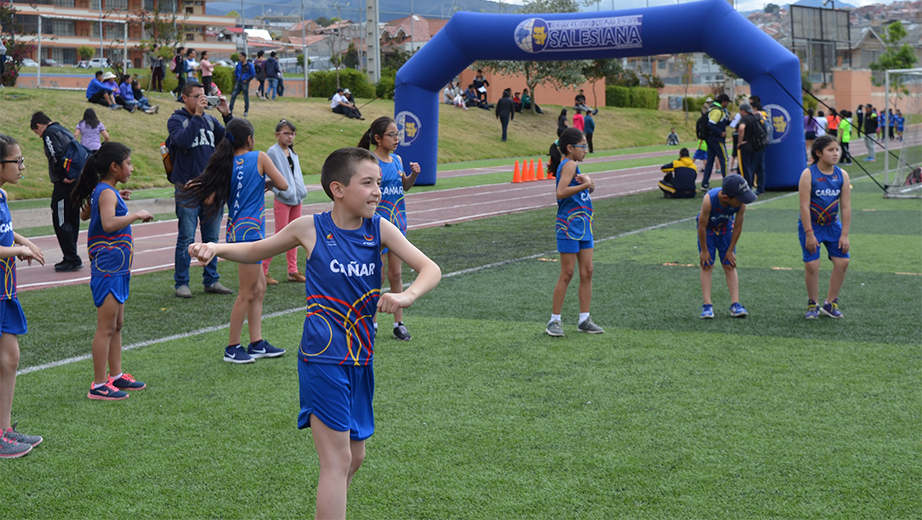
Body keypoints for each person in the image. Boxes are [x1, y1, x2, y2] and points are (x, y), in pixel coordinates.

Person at [186, 147, 441, 519]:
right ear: (337, 189)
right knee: (336, 461)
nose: (378, 191)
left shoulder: (380, 228)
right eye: (368, 183)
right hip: (323, 358)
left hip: (361, 357)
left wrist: (407, 294)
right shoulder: (310, 227)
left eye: (379, 183)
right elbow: (257, 248)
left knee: (355, 456)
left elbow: (429, 268)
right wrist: (214, 247)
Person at [183, 118, 289, 364]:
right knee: (247, 291)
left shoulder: (227, 163)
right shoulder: (260, 157)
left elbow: (209, 200)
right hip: (251, 233)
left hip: (237, 230)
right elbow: (283, 185)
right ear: (250, 140)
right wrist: (267, 183)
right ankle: (232, 347)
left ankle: (257, 342)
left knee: (259, 288)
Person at [70, 142, 153, 400]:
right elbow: (107, 224)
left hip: (116, 268)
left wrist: (117, 200)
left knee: (117, 324)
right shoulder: (105, 192)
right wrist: (135, 215)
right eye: (128, 163)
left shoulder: (104, 191)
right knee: (106, 327)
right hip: (108, 268)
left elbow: (86, 215)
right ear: (114, 167)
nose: (131, 168)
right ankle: (98, 384)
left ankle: (115, 376)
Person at [167, 81, 235, 298]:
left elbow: (232, 142)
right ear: (185, 98)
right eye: (196, 96)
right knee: (186, 237)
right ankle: (181, 283)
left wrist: (227, 115)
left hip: (211, 188)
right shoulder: (176, 120)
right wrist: (196, 115)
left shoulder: (210, 119)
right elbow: (184, 142)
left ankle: (211, 280)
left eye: (203, 96)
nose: (201, 100)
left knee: (211, 238)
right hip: (187, 188)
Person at [0, 133, 45, 458]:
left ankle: (4, 429)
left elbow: (4, 230)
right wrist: (16, 250)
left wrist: (23, 240)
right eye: (17, 161)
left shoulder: (1, 195)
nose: (22, 166)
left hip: (5, 290)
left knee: (10, 358)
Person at [358, 117, 422, 341]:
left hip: (397, 225)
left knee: (396, 274)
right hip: (375, 226)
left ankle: (398, 323)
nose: (397, 139)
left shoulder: (397, 159)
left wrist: (413, 175)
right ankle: (371, 323)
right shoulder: (370, 162)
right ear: (377, 138)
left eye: (397, 135)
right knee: (376, 275)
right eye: (392, 135)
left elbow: (403, 185)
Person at [545, 128, 604, 337]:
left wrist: (588, 188)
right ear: (570, 148)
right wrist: (585, 185)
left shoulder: (574, 166)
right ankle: (554, 320)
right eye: (583, 146)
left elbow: (575, 191)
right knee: (567, 273)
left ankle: (584, 319)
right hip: (568, 227)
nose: (586, 150)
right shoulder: (569, 164)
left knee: (587, 271)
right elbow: (560, 193)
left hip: (584, 227)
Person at [798, 135, 851, 320]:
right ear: (818, 153)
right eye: (831, 150)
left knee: (843, 262)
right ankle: (813, 303)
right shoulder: (808, 174)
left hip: (832, 225)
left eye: (837, 149)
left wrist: (844, 234)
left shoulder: (842, 175)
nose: (836, 153)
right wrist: (809, 234)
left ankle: (830, 303)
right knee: (812, 265)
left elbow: (845, 206)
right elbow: (804, 206)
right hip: (812, 226)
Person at [697, 174, 756, 319]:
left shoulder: (741, 203)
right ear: (726, 198)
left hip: (725, 229)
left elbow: (738, 227)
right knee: (707, 265)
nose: (743, 201)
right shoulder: (709, 200)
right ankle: (707, 305)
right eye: (740, 198)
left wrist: (730, 250)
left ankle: (735, 304)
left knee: (730, 264)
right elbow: (701, 227)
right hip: (708, 231)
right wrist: (704, 250)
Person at [30, 111, 83, 272]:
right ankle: (71, 254)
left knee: (60, 218)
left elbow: (55, 154)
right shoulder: (64, 130)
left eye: (36, 132)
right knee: (73, 217)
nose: (39, 136)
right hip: (77, 180)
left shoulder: (49, 133)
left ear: (39, 126)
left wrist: (62, 175)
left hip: (65, 183)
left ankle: (71, 257)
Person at [263, 119, 308, 285]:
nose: (290, 137)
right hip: (283, 199)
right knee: (280, 235)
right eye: (286, 133)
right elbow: (267, 175)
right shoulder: (273, 152)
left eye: (292, 133)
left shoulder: (292, 152)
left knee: (295, 235)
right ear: (277, 135)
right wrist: (277, 190)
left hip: (297, 199)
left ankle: (292, 270)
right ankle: (263, 270)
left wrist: (300, 191)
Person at [701, 93, 731, 190]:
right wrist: (720, 133)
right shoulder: (717, 111)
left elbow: (719, 123)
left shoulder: (715, 109)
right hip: (716, 139)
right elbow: (711, 125)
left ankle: (705, 183)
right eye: (727, 102)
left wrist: (730, 122)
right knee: (725, 159)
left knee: (710, 161)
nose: (727, 104)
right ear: (723, 102)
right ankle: (727, 183)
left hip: (711, 138)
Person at [735, 103, 759, 189]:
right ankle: (752, 185)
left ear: (743, 111)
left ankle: (745, 187)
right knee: (751, 167)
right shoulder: (754, 118)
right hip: (754, 146)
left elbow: (741, 128)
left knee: (743, 168)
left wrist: (740, 142)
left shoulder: (744, 119)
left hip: (745, 145)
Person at [229, 52, 255, 118]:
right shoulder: (239, 64)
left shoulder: (249, 65)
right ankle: (230, 109)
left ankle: (246, 110)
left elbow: (253, 74)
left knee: (245, 97)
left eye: (240, 56)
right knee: (233, 95)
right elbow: (236, 72)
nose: (239, 57)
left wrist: (247, 80)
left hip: (245, 82)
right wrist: (236, 78)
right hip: (238, 82)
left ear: (244, 57)